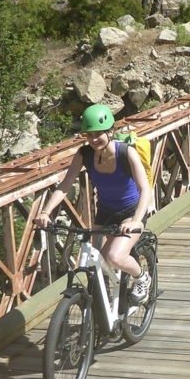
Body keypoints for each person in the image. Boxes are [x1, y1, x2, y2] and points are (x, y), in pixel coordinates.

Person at [34, 104, 153, 301]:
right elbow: (65, 186)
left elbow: (145, 188)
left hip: (132, 211)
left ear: (110, 131)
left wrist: (136, 220)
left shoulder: (126, 153)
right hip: (105, 211)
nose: (94, 139)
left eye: (99, 134)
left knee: (115, 256)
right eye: (89, 135)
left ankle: (142, 278)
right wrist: (45, 212)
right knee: (96, 259)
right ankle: (105, 307)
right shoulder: (84, 154)